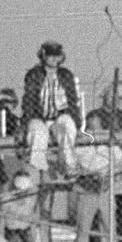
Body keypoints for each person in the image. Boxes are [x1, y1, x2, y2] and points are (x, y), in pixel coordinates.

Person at [73, 110, 122, 242]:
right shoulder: (81, 145)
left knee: (109, 228)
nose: (93, 132)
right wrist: (87, 175)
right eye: (89, 128)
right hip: (86, 190)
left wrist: (110, 176)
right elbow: (73, 167)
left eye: (96, 129)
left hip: (105, 190)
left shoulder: (110, 146)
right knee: (83, 229)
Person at [22, 40, 80, 182]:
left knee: (67, 126)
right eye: (50, 55)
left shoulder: (65, 75)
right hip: (39, 117)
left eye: (57, 55)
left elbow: (72, 100)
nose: (54, 59)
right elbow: (29, 100)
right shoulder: (35, 74)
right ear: (43, 56)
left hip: (58, 117)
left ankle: (69, 166)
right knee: (39, 133)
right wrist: (28, 120)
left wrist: (76, 121)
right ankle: (38, 168)